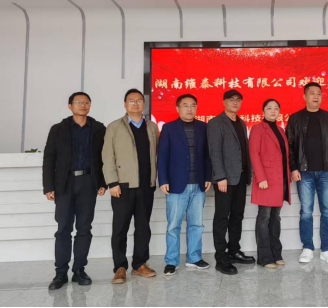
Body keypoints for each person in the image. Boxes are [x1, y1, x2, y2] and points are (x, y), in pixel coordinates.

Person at [43, 92, 107, 291]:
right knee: (63, 228)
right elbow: (49, 158)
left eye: (86, 102)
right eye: (78, 102)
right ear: (70, 106)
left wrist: (102, 182)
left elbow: (104, 157)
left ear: (90, 105)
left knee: (84, 228)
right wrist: (49, 186)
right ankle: (60, 272)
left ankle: (79, 270)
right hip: (64, 183)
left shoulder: (99, 129)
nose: (83, 105)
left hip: (88, 182)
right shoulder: (58, 129)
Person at [103, 89, 160, 284]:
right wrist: (112, 182)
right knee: (120, 228)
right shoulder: (114, 127)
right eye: (131, 101)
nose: (135, 104)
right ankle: (120, 267)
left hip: (146, 185)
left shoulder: (152, 127)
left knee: (143, 227)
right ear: (125, 104)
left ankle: (139, 264)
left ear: (144, 104)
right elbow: (107, 157)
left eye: (139, 100)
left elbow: (156, 154)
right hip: (122, 187)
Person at [287, 83, 328, 265]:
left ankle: (327, 249)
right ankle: (307, 248)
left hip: (327, 172)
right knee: (306, 212)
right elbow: (289, 146)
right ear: (304, 96)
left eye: (319, 93)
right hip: (304, 173)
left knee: (327, 211)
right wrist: (293, 167)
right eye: (312, 93)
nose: (315, 96)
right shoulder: (295, 119)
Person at [158, 94, 213, 276]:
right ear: (178, 108)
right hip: (176, 185)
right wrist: (163, 180)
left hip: (198, 185)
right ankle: (171, 261)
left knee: (196, 224)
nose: (190, 109)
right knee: (173, 226)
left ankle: (194, 258)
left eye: (193, 105)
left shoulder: (203, 127)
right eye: (185, 105)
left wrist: (208, 177)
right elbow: (162, 156)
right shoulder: (169, 128)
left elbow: (207, 155)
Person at [208, 89, 255, 275]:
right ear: (224, 102)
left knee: (237, 216)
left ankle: (234, 251)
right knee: (222, 217)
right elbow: (214, 152)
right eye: (231, 99)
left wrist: (248, 175)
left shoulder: (241, 123)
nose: (235, 102)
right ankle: (221, 258)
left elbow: (244, 151)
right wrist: (220, 176)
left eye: (238, 100)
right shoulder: (216, 123)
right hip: (225, 179)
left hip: (241, 178)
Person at [249, 99, 292, 269]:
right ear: (263, 111)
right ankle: (265, 257)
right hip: (266, 180)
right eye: (269, 108)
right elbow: (254, 153)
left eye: (276, 108)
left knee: (275, 217)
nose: (273, 111)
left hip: (280, 180)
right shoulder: (258, 129)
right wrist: (261, 178)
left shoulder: (281, 130)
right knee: (264, 217)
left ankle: (276, 254)